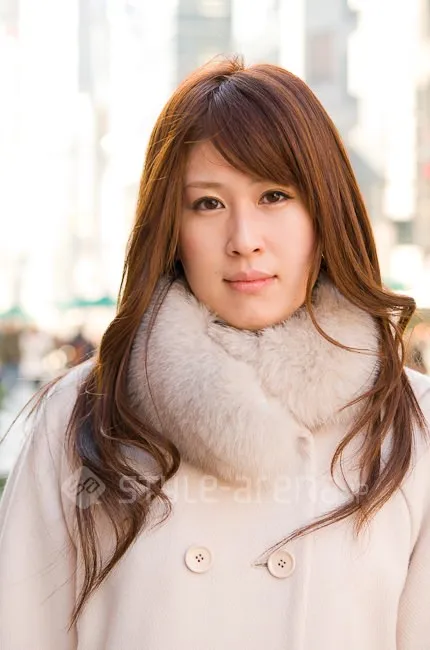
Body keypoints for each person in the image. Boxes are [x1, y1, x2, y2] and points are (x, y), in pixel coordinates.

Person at [0, 57, 429, 650]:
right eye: (208, 203)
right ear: (171, 230)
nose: (244, 239)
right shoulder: (82, 414)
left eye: (274, 195)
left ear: (324, 214)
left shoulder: (411, 425)